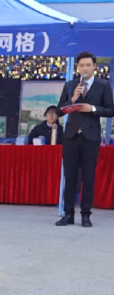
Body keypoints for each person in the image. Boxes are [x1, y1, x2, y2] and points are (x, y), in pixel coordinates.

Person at [57, 51, 114, 227]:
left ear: (94, 67)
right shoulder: (70, 85)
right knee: (70, 176)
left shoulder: (103, 85)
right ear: (77, 67)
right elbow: (59, 111)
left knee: (88, 177)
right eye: (82, 65)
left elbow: (111, 110)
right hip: (71, 136)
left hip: (90, 138)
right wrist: (72, 99)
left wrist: (93, 109)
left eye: (88, 65)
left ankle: (85, 215)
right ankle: (68, 214)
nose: (85, 68)